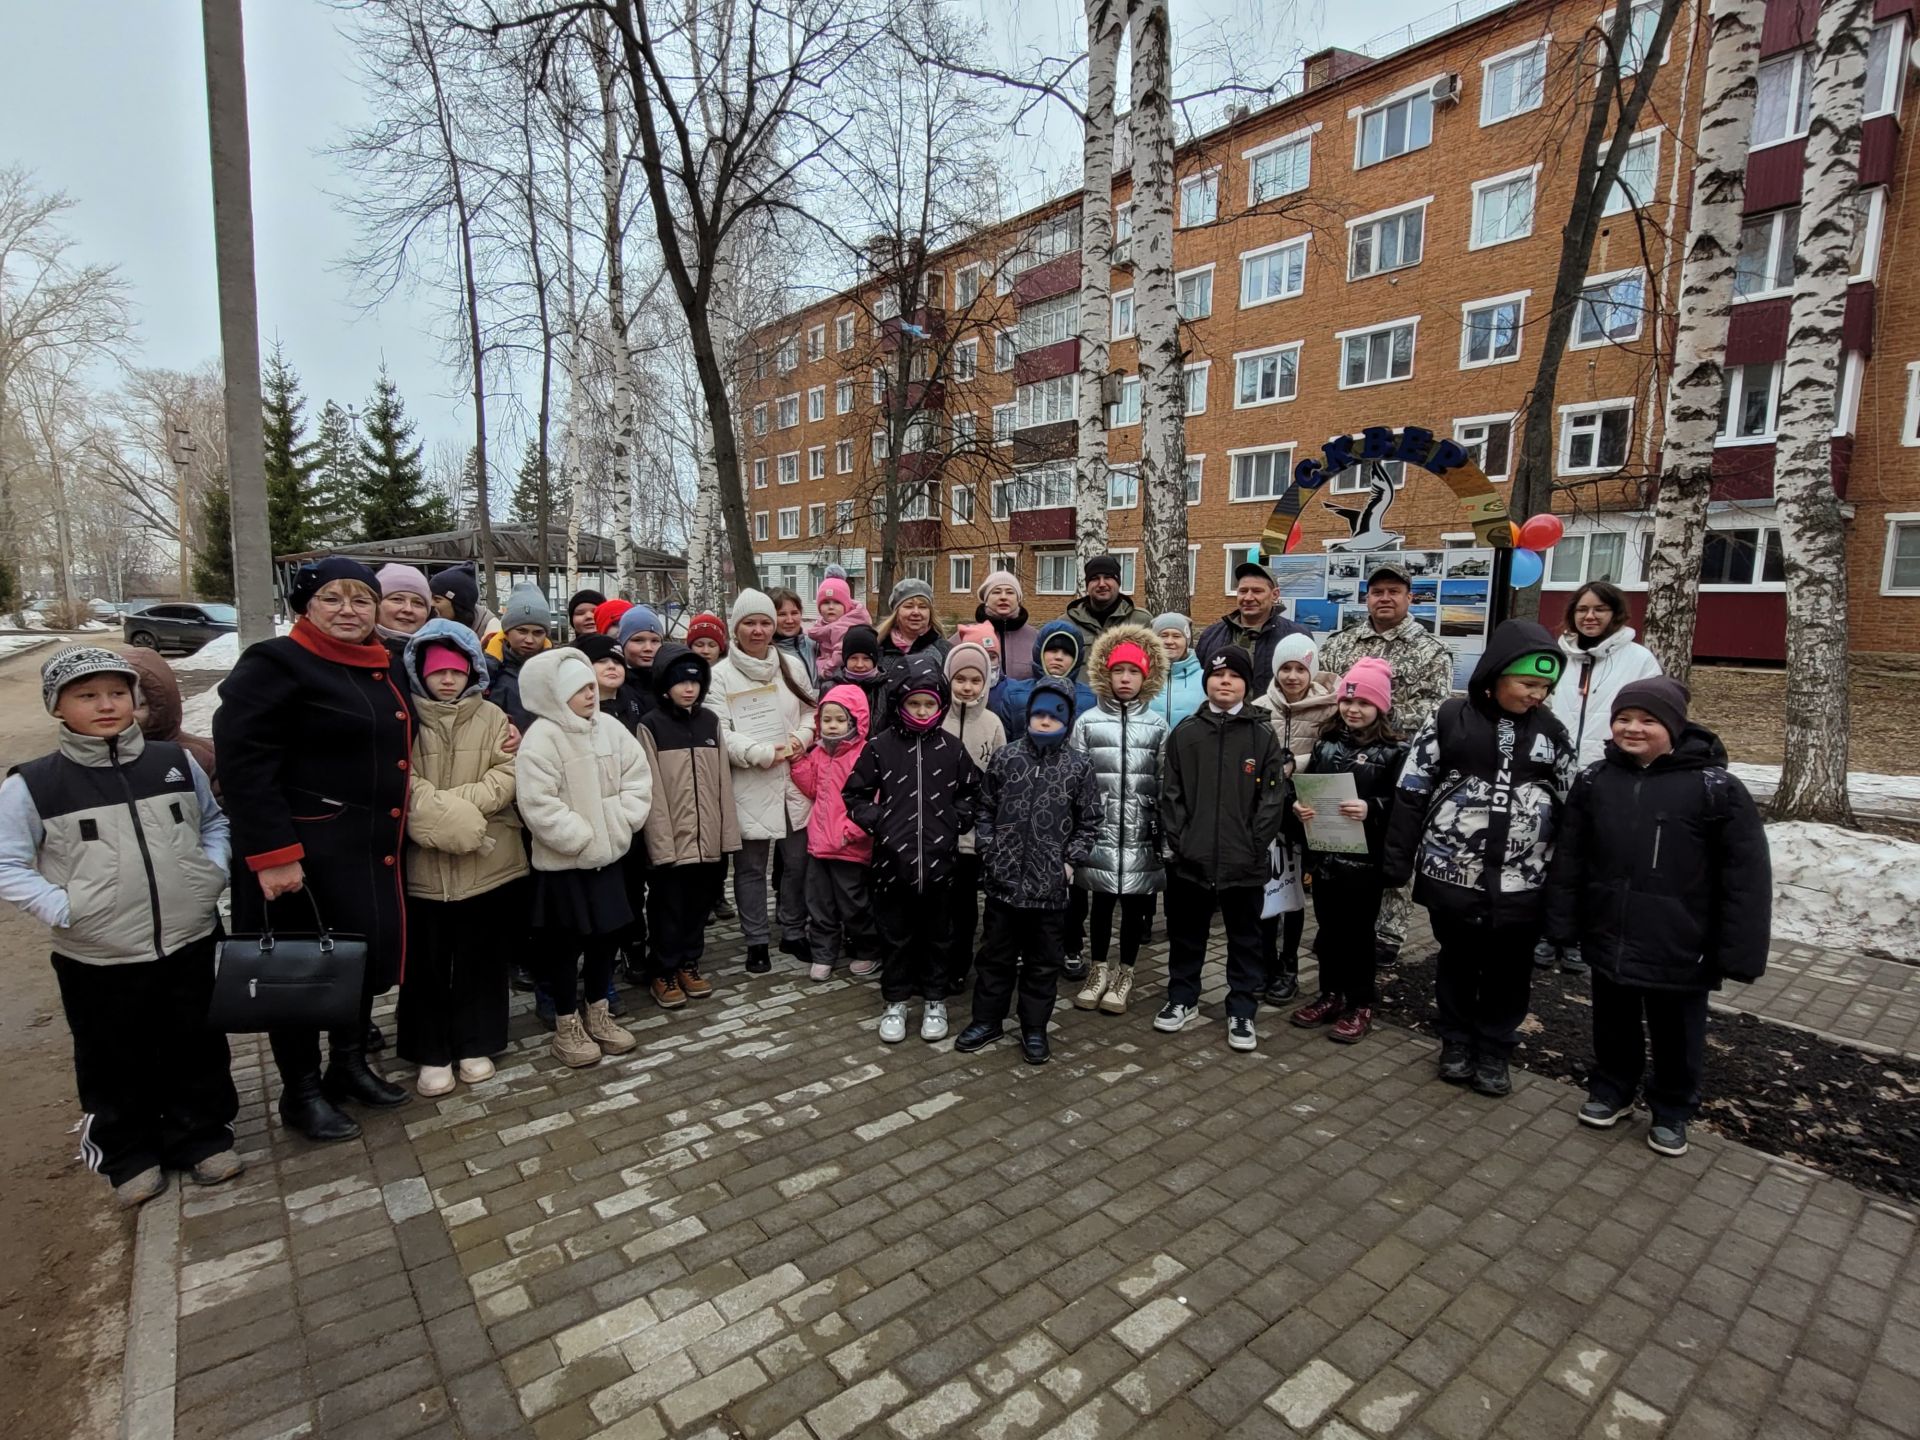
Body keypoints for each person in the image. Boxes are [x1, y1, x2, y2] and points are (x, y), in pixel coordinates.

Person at [0, 648, 240, 1206]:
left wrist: (211, 873)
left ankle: (201, 1137)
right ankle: (129, 1153)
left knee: (195, 1043)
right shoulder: (34, 785)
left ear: (135, 699)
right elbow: (8, 864)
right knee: (113, 1055)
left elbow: (213, 821)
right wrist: (62, 908)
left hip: (188, 935)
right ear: (58, 706)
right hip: (97, 953)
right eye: (87, 695)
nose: (105, 705)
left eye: (116, 693)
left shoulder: (171, 764)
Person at [215, 558, 412, 1142]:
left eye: (361, 599)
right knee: (298, 973)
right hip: (299, 853)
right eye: (333, 599)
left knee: (352, 959)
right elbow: (244, 764)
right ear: (306, 607)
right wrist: (274, 853)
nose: (349, 610)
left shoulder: (385, 665)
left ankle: (348, 1067)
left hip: (367, 849)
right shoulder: (276, 665)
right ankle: (300, 1094)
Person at [1546, 678, 1770, 1158]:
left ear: (1673, 726)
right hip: (1610, 928)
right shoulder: (1596, 780)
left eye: (1648, 720)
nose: (1633, 728)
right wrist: (1562, 923)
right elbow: (1571, 856)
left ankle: (1672, 1109)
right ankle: (1612, 1089)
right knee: (1613, 1020)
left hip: (1681, 939)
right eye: (1624, 718)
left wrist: (1740, 950)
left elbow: (1745, 877)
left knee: (1677, 1030)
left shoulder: (1715, 789)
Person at [1383, 621, 1580, 1099]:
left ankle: (1494, 1047)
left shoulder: (1551, 730)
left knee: (1509, 970)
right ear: (1496, 675)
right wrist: (1397, 861)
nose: (1537, 694)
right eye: (1528, 684)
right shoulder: (1451, 718)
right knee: (1457, 960)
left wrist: (1567, 881)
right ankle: (1454, 1039)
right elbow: (1411, 789)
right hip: (1454, 873)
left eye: (1545, 687)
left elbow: (1573, 803)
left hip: (1521, 881)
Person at [394, 622, 525, 1096]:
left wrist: (456, 805)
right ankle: (429, 1049)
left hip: (487, 863)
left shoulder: (493, 717)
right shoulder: (403, 716)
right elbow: (397, 778)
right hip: (422, 868)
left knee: (481, 958)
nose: (447, 680)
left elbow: (508, 773)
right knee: (425, 964)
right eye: (437, 672)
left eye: (456, 670)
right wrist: (442, 812)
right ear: (419, 672)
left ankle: (477, 1042)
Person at [513, 647, 652, 1067]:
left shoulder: (609, 728)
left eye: (591, 686)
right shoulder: (541, 738)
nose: (591, 694)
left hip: (608, 860)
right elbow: (537, 804)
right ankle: (566, 1023)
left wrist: (622, 822)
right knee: (562, 947)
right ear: (555, 694)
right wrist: (581, 838)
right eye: (579, 689)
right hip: (564, 868)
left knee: (604, 941)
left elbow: (637, 777)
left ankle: (599, 1013)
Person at [1318, 558, 1457, 969]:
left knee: (1392, 846)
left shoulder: (1431, 650)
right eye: (1377, 591)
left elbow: (1436, 709)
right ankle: (1339, 927)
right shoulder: (1341, 644)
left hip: (1401, 763)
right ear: (1367, 597)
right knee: (1341, 845)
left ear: (1409, 597)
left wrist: (1381, 717)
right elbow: (1328, 696)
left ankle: (1389, 931)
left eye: (1393, 591)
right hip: (1344, 760)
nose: (1384, 598)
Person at [956, 681, 1102, 1065]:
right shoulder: (1007, 758)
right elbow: (985, 807)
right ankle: (986, 1021)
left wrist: (1070, 862)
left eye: (1055, 714)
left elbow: (1090, 821)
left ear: (1067, 719)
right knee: (995, 957)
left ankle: (1034, 1026)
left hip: (1050, 890)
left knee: (1042, 964)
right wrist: (988, 847)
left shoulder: (1079, 766)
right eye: (1039, 713)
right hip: (1003, 886)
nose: (1045, 720)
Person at [1155, 648, 1289, 1051]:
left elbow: (1272, 798)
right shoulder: (1186, 732)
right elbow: (1171, 793)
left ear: (1247, 685)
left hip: (1243, 861)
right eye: (1218, 675)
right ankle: (1182, 997)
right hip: (1190, 859)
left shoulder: (1262, 735)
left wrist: (1253, 844)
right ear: (1206, 682)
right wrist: (1181, 841)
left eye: (1235, 676)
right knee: (1186, 933)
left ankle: (1242, 1008)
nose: (1225, 682)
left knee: (1245, 938)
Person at [843, 655, 980, 1044]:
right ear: (900, 704)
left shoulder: (951, 749)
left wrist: (956, 820)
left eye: (929, 704)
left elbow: (974, 791)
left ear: (941, 706)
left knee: (939, 936)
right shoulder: (880, 747)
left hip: (941, 865)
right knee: (896, 936)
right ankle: (896, 999)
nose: (921, 711)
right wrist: (880, 820)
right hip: (892, 865)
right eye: (914, 704)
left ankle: (935, 999)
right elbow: (853, 793)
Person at [1287, 658, 1406, 1045]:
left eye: (1364, 704)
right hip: (1326, 858)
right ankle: (1330, 995)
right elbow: (1310, 788)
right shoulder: (1327, 744)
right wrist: (1300, 807)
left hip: (1364, 863)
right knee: (1329, 932)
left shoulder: (1393, 752)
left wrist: (1373, 808)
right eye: (1347, 702)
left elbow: (1403, 804)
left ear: (1380, 707)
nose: (1353, 710)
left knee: (1358, 936)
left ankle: (1361, 1003)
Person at [707, 589, 816, 973]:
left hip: (792, 778)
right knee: (751, 867)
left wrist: (800, 740)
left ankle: (793, 929)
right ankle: (755, 940)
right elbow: (719, 730)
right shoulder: (719, 675)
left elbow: (810, 711)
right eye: (749, 623)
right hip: (751, 778)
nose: (758, 630)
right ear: (736, 628)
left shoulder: (791, 666)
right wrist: (760, 753)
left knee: (798, 860)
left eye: (765, 622)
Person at [1068, 625, 1170, 1017]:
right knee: (1102, 902)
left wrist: (1163, 832)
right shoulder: (1088, 722)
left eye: (1133, 672)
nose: (1124, 679)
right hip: (1101, 830)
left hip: (1142, 831)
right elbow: (1076, 781)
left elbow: (1164, 781)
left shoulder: (1158, 726)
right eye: (1117, 671)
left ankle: (1125, 972)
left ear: (1146, 677)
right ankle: (1098, 970)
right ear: (1105, 674)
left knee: (1135, 907)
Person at [636, 643, 740, 1007]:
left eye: (695, 681)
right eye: (680, 681)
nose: (689, 688)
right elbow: (650, 790)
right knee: (667, 909)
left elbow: (723, 784)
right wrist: (660, 844)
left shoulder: (710, 722)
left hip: (707, 841)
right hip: (671, 843)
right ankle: (662, 970)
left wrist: (727, 835)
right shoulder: (651, 726)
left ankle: (688, 963)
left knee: (697, 907)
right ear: (665, 684)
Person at [1252, 632, 1339, 1004]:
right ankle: (1265, 962)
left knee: (1294, 897)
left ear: (1311, 672)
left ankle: (1289, 966)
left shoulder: (1328, 709)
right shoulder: (1258, 707)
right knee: (1269, 891)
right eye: (1285, 669)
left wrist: (1294, 765)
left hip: (1307, 815)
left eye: (1300, 669)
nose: (1292, 677)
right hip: (1268, 813)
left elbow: (1331, 756)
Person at [789, 684, 873, 983]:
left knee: (854, 903)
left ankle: (866, 950)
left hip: (849, 845)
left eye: (840, 719)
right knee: (819, 903)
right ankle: (824, 953)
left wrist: (853, 831)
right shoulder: (819, 754)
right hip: (819, 845)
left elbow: (874, 800)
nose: (832, 725)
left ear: (855, 721)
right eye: (827, 720)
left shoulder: (864, 755)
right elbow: (812, 788)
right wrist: (799, 762)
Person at [939, 639, 1007, 995]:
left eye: (975, 680)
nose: (967, 687)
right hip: (937, 833)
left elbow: (1000, 778)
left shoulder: (993, 723)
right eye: (960, 679)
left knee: (965, 905)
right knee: (938, 905)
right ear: (949, 679)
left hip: (972, 837)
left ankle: (959, 965)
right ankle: (936, 961)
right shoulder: (936, 718)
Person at [1194, 560, 1309, 697]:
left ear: (1275, 595)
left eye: (1257, 591)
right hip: (1222, 717)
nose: (1248, 598)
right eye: (1243, 591)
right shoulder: (1212, 635)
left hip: (1272, 717)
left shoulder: (1295, 636)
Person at [125, 648, 216, 788]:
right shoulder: (87, 758)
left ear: (161, 704)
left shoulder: (197, 757)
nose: (126, 713)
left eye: (139, 705)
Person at [992, 619, 1097, 742]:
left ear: (1077, 659)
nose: (1058, 657)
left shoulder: (1090, 699)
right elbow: (1004, 743)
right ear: (1039, 651)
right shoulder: (1014, 694)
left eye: (1067, 653)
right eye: (1053, 650)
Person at [487, 583, 554, 731]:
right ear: (506, 631)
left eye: (538, 633)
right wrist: (490, 663)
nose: (529, 640)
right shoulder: (489, 668)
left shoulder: (557, 668)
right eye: (522, 631)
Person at [875, 577, 948, 683]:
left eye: (922, 607)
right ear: (897, 612)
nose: (916, 612)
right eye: (909, 606)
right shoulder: (879, 647)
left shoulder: (943, 650)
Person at [974, 570, 1041, 681]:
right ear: (986, 599)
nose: (1003, 597)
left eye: (1010, 592)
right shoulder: (966, 635)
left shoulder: (1036, 637)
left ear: (1018, 599)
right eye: (996, 592)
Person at [1063, 553, 1140, 647]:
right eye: (1094, 578)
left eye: (1108, 577)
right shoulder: (1066, 623)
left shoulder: (1141, 621)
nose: (1102, 584)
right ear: (1087, 586)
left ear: (1118, 583)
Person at [807, 574, 872, 680]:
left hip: (837, 675)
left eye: (837, 603)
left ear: (846, 606)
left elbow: (840, 653)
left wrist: (826, 670)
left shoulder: (843, 627)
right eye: (826, 603)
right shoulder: (822, 625)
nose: (831, 607)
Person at [1150, 613, 1206, 727]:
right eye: (1163, 635)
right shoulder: (1141, 677)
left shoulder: (1204, 678)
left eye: (1176, 636)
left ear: (1187, 642)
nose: (1169, 641)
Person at [615, 605, 666, 728]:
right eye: (638, 640)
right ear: (622, 643)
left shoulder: (669, 684)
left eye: (655, 641)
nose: (648, 648)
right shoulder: (614, 686)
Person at [374, 564, 436, 660]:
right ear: (377, 604)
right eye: (397, 599)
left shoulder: (439, 655)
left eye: (418, 603)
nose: (408, 609)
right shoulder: (354, 651)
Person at [770, 588, 820, 688]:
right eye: (782, 614)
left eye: (794, 613)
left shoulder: (816, 645)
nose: (790, 620)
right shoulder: (768, 654)